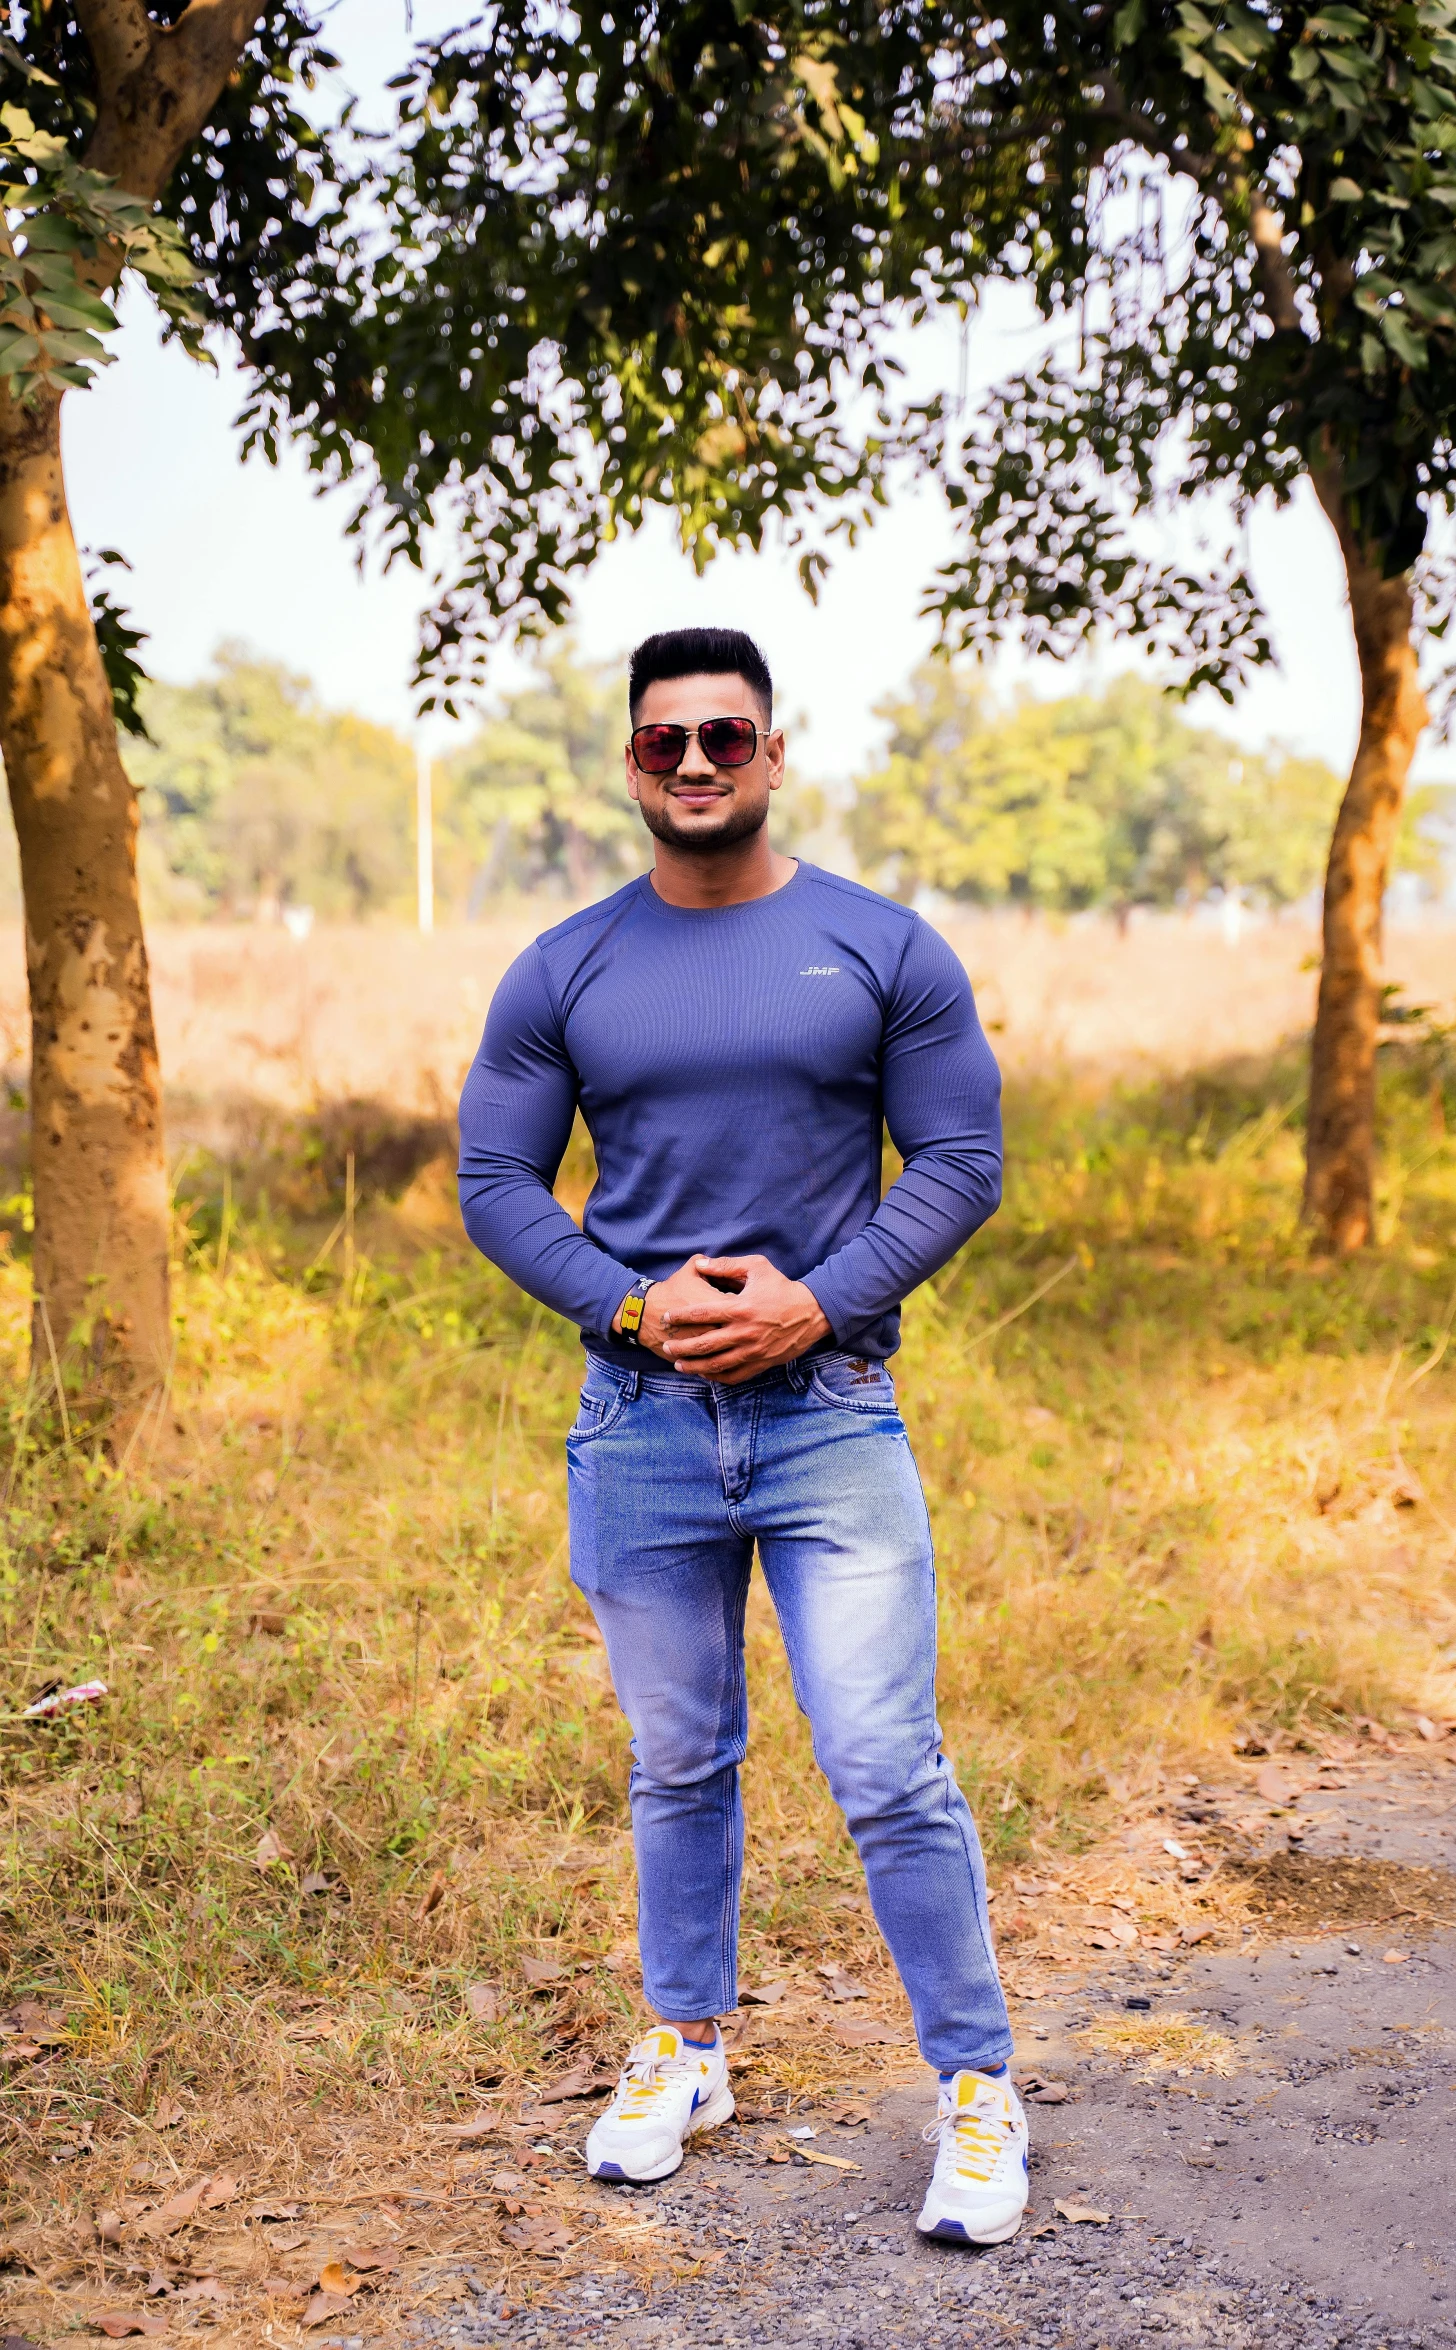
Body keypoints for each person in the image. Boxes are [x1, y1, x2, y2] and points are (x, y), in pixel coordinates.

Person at [458, 625, 1028, 2244]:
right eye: (664, 742)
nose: (695, 762)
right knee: (677, 1761)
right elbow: (495, 1179)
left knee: (883, 1761)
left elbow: (958, 1159)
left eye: (725, 737)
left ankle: (977, 2089)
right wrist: (630, 1308)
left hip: (829, 1415)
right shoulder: (564, 963)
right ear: (629, 764)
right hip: (637, 1421)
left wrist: (818, 1302)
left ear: (774, 754)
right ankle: (690, 2047)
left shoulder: (876, 945)